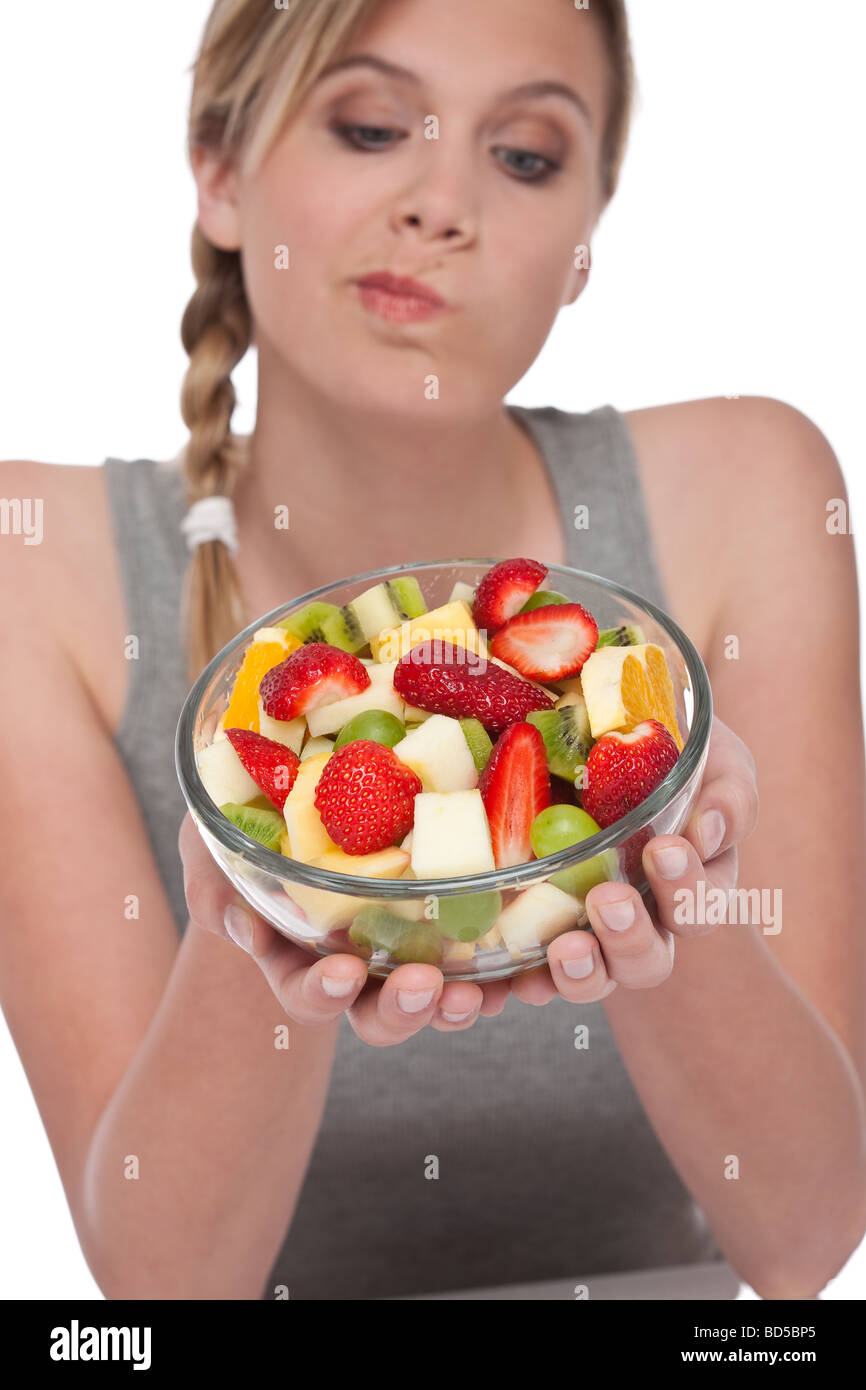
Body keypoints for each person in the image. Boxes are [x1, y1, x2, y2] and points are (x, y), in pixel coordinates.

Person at [1, 0, 864, 1303]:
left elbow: (805, 1244)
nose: (441, 204)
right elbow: (164, 1288)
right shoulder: (35, 566)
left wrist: (672, 875)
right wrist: (258, 917)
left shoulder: (749, 487)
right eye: (368, 127)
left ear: (585, 244)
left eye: (523, 155)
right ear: (219, 174)